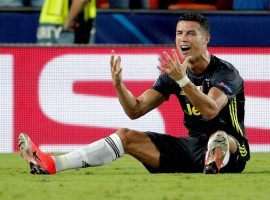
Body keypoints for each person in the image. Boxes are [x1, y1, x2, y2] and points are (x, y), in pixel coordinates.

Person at [19, 12, 250, 175]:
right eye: (179, 33)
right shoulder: (173, 74)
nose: (183, 39)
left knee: (218, 137)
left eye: (190, 34)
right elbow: (135, 110)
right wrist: (119, 85)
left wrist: (182, 80)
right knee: (126, 136)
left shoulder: (226, 73)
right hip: (193, 148)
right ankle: (52, 163)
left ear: (206, 39)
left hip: (234, 150)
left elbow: (210, 110)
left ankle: (216, 159)